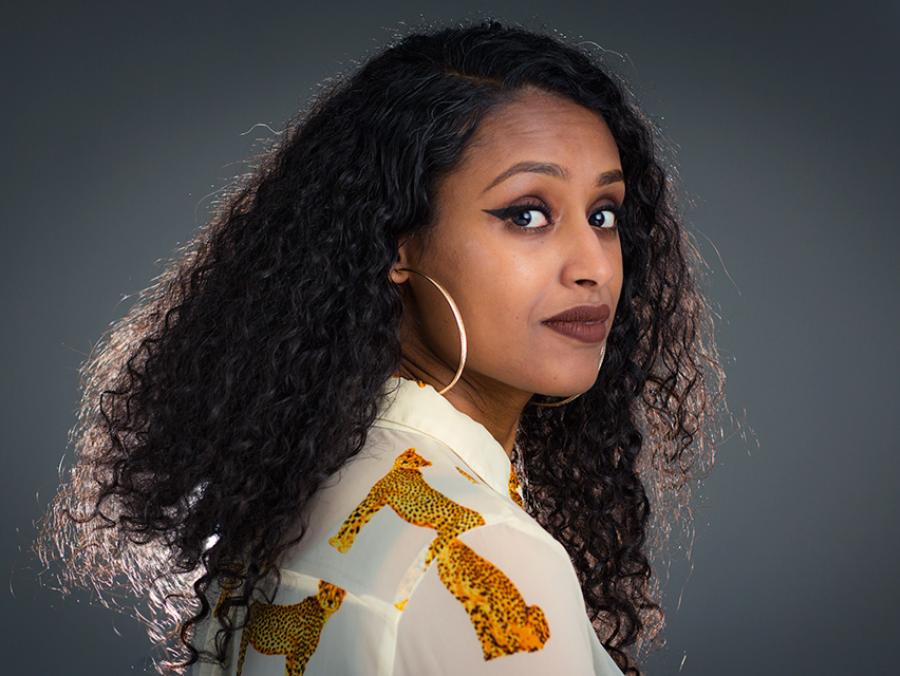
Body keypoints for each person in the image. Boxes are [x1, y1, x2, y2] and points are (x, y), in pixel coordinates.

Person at [34, 18, 728, 676]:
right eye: (526, 214)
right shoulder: (485, 553)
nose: (594, 265)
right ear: (398, 244)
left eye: (603, 214)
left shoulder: (297, 496)